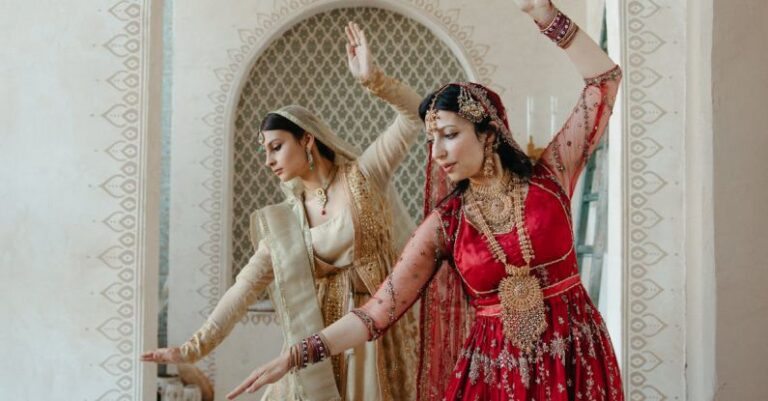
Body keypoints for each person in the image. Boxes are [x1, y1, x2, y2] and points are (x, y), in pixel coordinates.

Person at [228, 2, 624, 400]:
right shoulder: (447, 223)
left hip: (576, 358)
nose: (437, 152)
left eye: (449, 135)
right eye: (432, 140)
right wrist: (295, 355)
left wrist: (546, 15)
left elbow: (604, 82)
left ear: (488, 134)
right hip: (493, 378)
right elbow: (378, 310)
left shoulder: (550, 175)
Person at [142, 22, 422, 401]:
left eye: (276, 146)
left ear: (307, 139)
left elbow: (412, 117)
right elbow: (244, 287)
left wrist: (374, 80)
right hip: (314, 352)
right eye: (264, 150)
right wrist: (192, 349)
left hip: (377, 339)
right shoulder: (286, 221)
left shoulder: (364, 176)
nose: (268, 159)